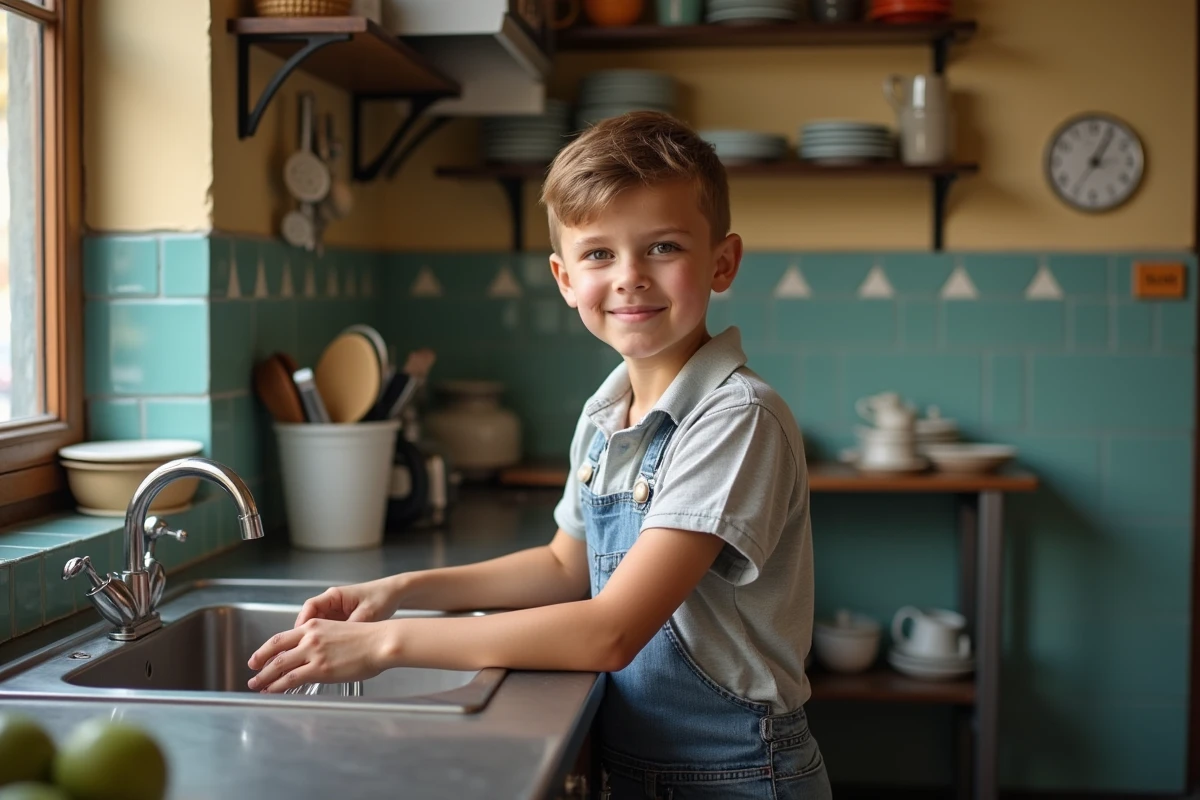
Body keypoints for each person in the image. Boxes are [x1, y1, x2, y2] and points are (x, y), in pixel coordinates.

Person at [248, 110, 831, 799]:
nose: (630, 277)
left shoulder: (735, 419)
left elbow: (611, 632)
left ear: (722, 261)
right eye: (599, 254)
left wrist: (388, 643)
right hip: (643, 764)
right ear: (563, 277)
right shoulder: (606, 412)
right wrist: (399, 593)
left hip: (737, 773)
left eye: (664, 247)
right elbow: (564, 565)